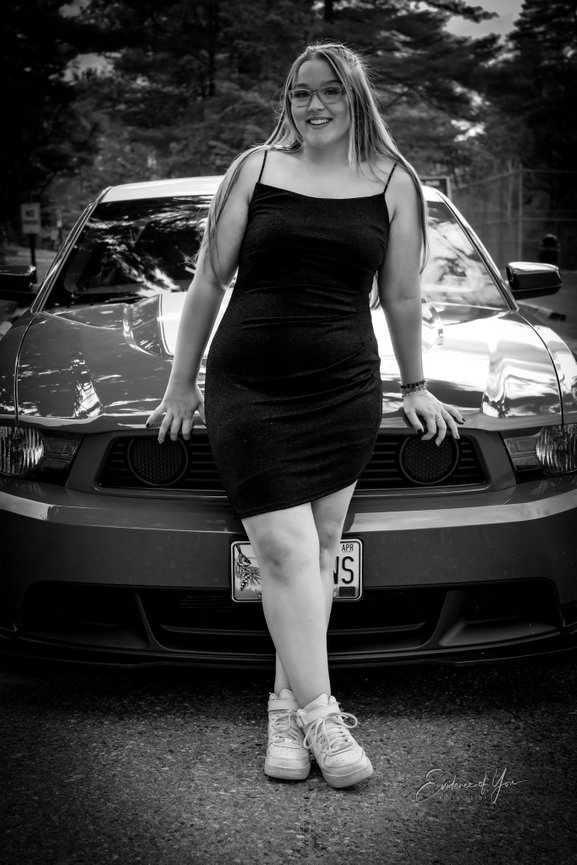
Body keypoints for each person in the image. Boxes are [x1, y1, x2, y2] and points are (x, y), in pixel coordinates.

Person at [146, 41, 464, 789]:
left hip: (342, 386)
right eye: (300, 93)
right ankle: (323, 715)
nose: (313, 105)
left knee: (321, 547)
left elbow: (402, 295)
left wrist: (416, 384)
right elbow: (207, 282)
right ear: (286, 101)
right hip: (251, 384)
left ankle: (283, 710)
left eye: (329, 92)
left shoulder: (394, 181)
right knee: (285, 552)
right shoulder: (254, 169)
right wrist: (180, 384)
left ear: (355, 97)